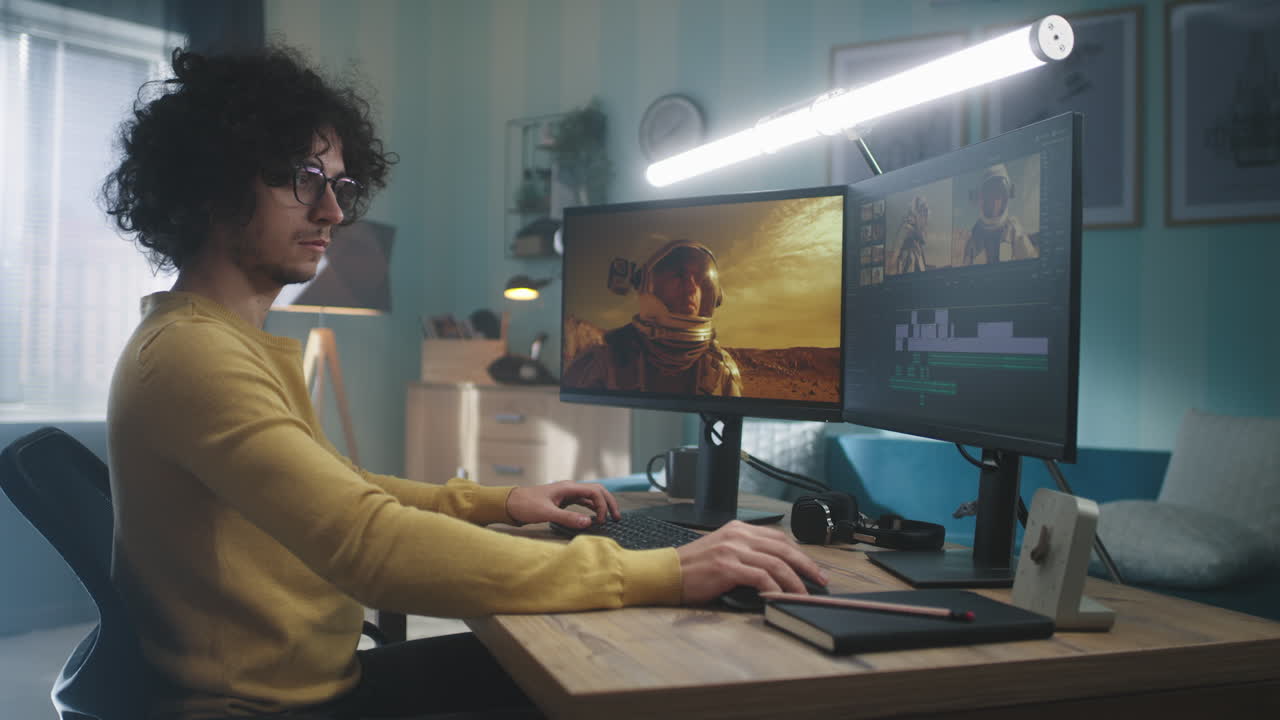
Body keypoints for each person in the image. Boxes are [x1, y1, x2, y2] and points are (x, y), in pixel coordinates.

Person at [102, 46, 823, 720]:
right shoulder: (194, 356)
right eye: (303, 179)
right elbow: (371, 544)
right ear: (214, 185)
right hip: (274, 709)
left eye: (339, 186)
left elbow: (347, 489)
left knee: (586, 666)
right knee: (626, 682)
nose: (334, 212)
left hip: (312, 688)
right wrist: (664, 570)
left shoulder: (217, 342)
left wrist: (501, 502)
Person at [563, 240, 743, 396]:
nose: (691, 287)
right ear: (649, 284)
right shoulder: (603, 362)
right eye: (679, 275)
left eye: (699, 280)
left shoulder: (720, 369)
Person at [962, 164, 1037, 265]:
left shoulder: (1013, 231)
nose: (995, 202)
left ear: (1006, 197)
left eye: (998, 195)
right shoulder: (974, 238)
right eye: (990, 195)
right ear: (981, 199)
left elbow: (1031, 262)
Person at [894, 196, 929, 274]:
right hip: (908, 254)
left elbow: (923, 240)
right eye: (921, 210)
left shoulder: (918, 227)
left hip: (916, 253)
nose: (923, 213)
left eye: (924, 211)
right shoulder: (907, 224)